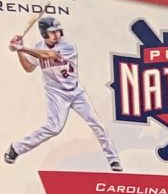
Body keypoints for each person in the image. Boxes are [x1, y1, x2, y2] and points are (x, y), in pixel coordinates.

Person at [5, 17, 121, 170]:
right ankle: (16, 148)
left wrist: (22, 47)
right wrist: (19, 51)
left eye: (58, 31)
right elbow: (28, 67)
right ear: (44, 34)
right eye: (52, 32)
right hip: (55, 94)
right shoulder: (38, 47)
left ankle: (113, 160)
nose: (57, 35)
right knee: (54, 128)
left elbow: (49, 55)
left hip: (76, 91)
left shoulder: (67, 45)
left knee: (96, 123)